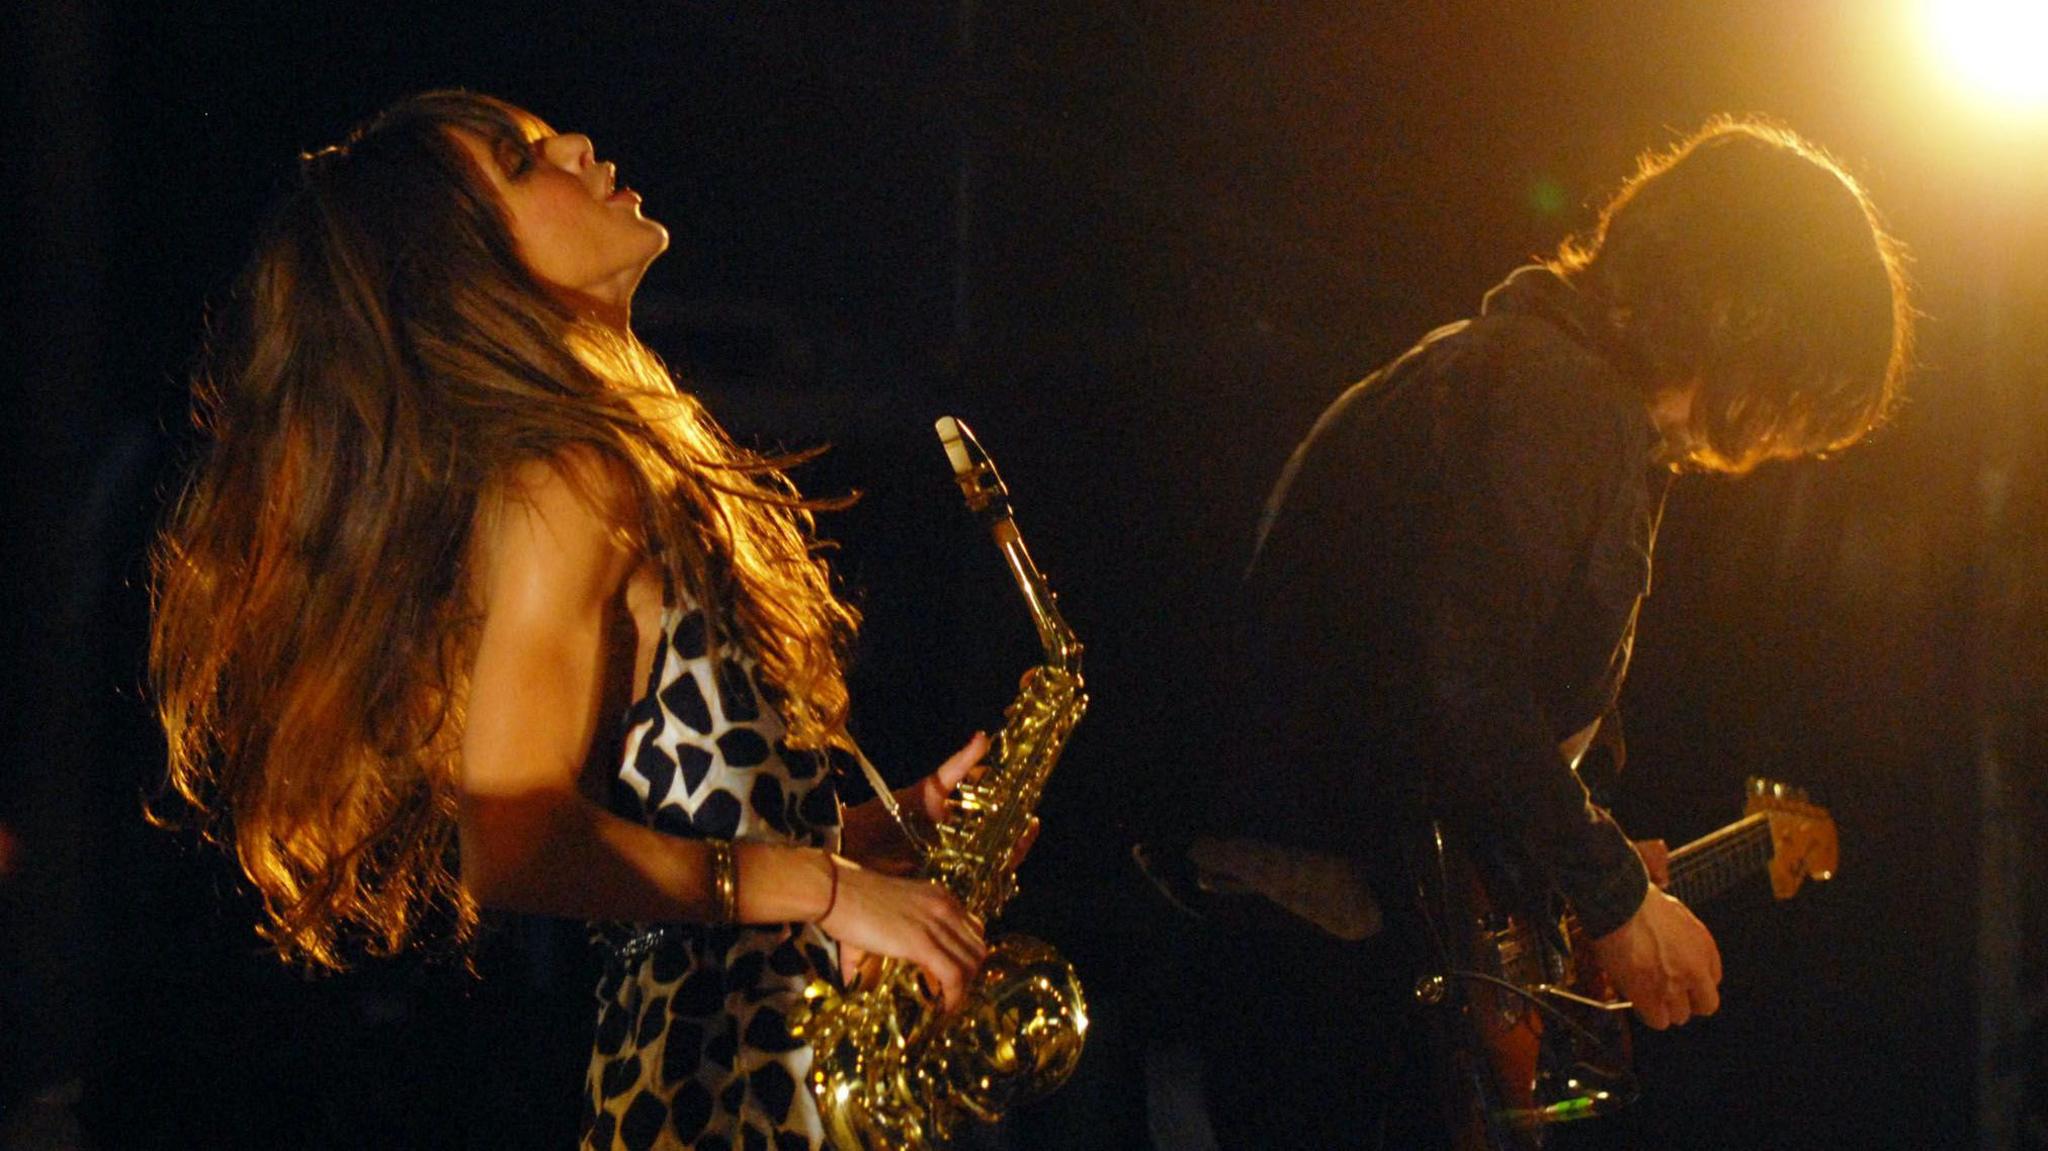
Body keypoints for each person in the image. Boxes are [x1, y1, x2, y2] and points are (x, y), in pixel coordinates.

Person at [150, 90, 994, 1151]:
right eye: (523, 161)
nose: (581, 148)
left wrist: (888, 829)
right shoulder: (568, 483)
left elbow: (687, 817)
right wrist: (829, 889)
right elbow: (511, 836)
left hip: (764, 1051)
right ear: (469, 273)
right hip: (712, 1077)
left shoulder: (619, 459)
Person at [1188, 117, 1912, 1148]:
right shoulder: (1555, 398)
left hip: (1327, 941)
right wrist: (1611, 895)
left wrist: (1556, 857)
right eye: (1805, 395)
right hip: (1332, 959)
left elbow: (1445, 689)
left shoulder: (1529, 379)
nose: (1788, 441)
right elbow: (1458, 677)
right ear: (1747, 316)